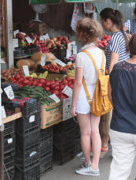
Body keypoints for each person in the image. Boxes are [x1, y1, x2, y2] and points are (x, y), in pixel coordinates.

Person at [71, 17, 104, 176]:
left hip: (84, 95)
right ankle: (95, 165)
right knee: (95, 131)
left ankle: (88, 163)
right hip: (98, 94)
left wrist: (73, 105)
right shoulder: (101, 53)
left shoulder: (81, 55)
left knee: (85, 132)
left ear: (82, 34)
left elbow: (77, 83)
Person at [99, 8, 130, 152]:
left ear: (109, 21)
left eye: (102, 21)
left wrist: (109, 83)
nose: (102, 24)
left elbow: (114, 63)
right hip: (124, 78)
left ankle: (107, 144)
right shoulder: (123, 35)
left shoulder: (116, 37)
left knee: (111, 114)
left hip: (117, 80)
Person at [108, 33, 136, 180]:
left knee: (118, 172)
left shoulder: (117, 69)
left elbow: (110, 96)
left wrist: (121, 109)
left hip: (120, 127)